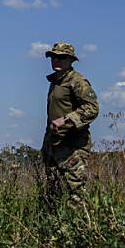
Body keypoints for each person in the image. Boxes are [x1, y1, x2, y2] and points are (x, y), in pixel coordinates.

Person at [42, 42, 99, 201]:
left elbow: (92, 108)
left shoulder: (77, 81)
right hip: (55, 144)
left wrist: (66, 120)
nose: (56, 60)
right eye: (53, 57)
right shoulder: (56, 81)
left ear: (70, 60)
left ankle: (80, 224)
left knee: (76, 191)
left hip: (73, 145)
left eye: (62, 57)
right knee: (53, 192)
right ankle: (55, 223)